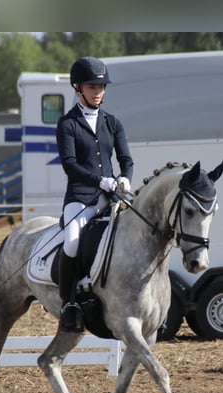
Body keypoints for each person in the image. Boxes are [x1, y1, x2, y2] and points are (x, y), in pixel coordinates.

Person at [55, 56, 133, 332]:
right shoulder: (68, 124)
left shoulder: (113, 122)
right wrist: (101, 181)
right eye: (92, 86)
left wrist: (124, 178)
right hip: (79, 198)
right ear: (78, 87)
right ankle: (69, 303)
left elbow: (126, 159)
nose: (98, 91)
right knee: (73, 242)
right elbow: (70, 165)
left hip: (110, 198)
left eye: (101, 86)